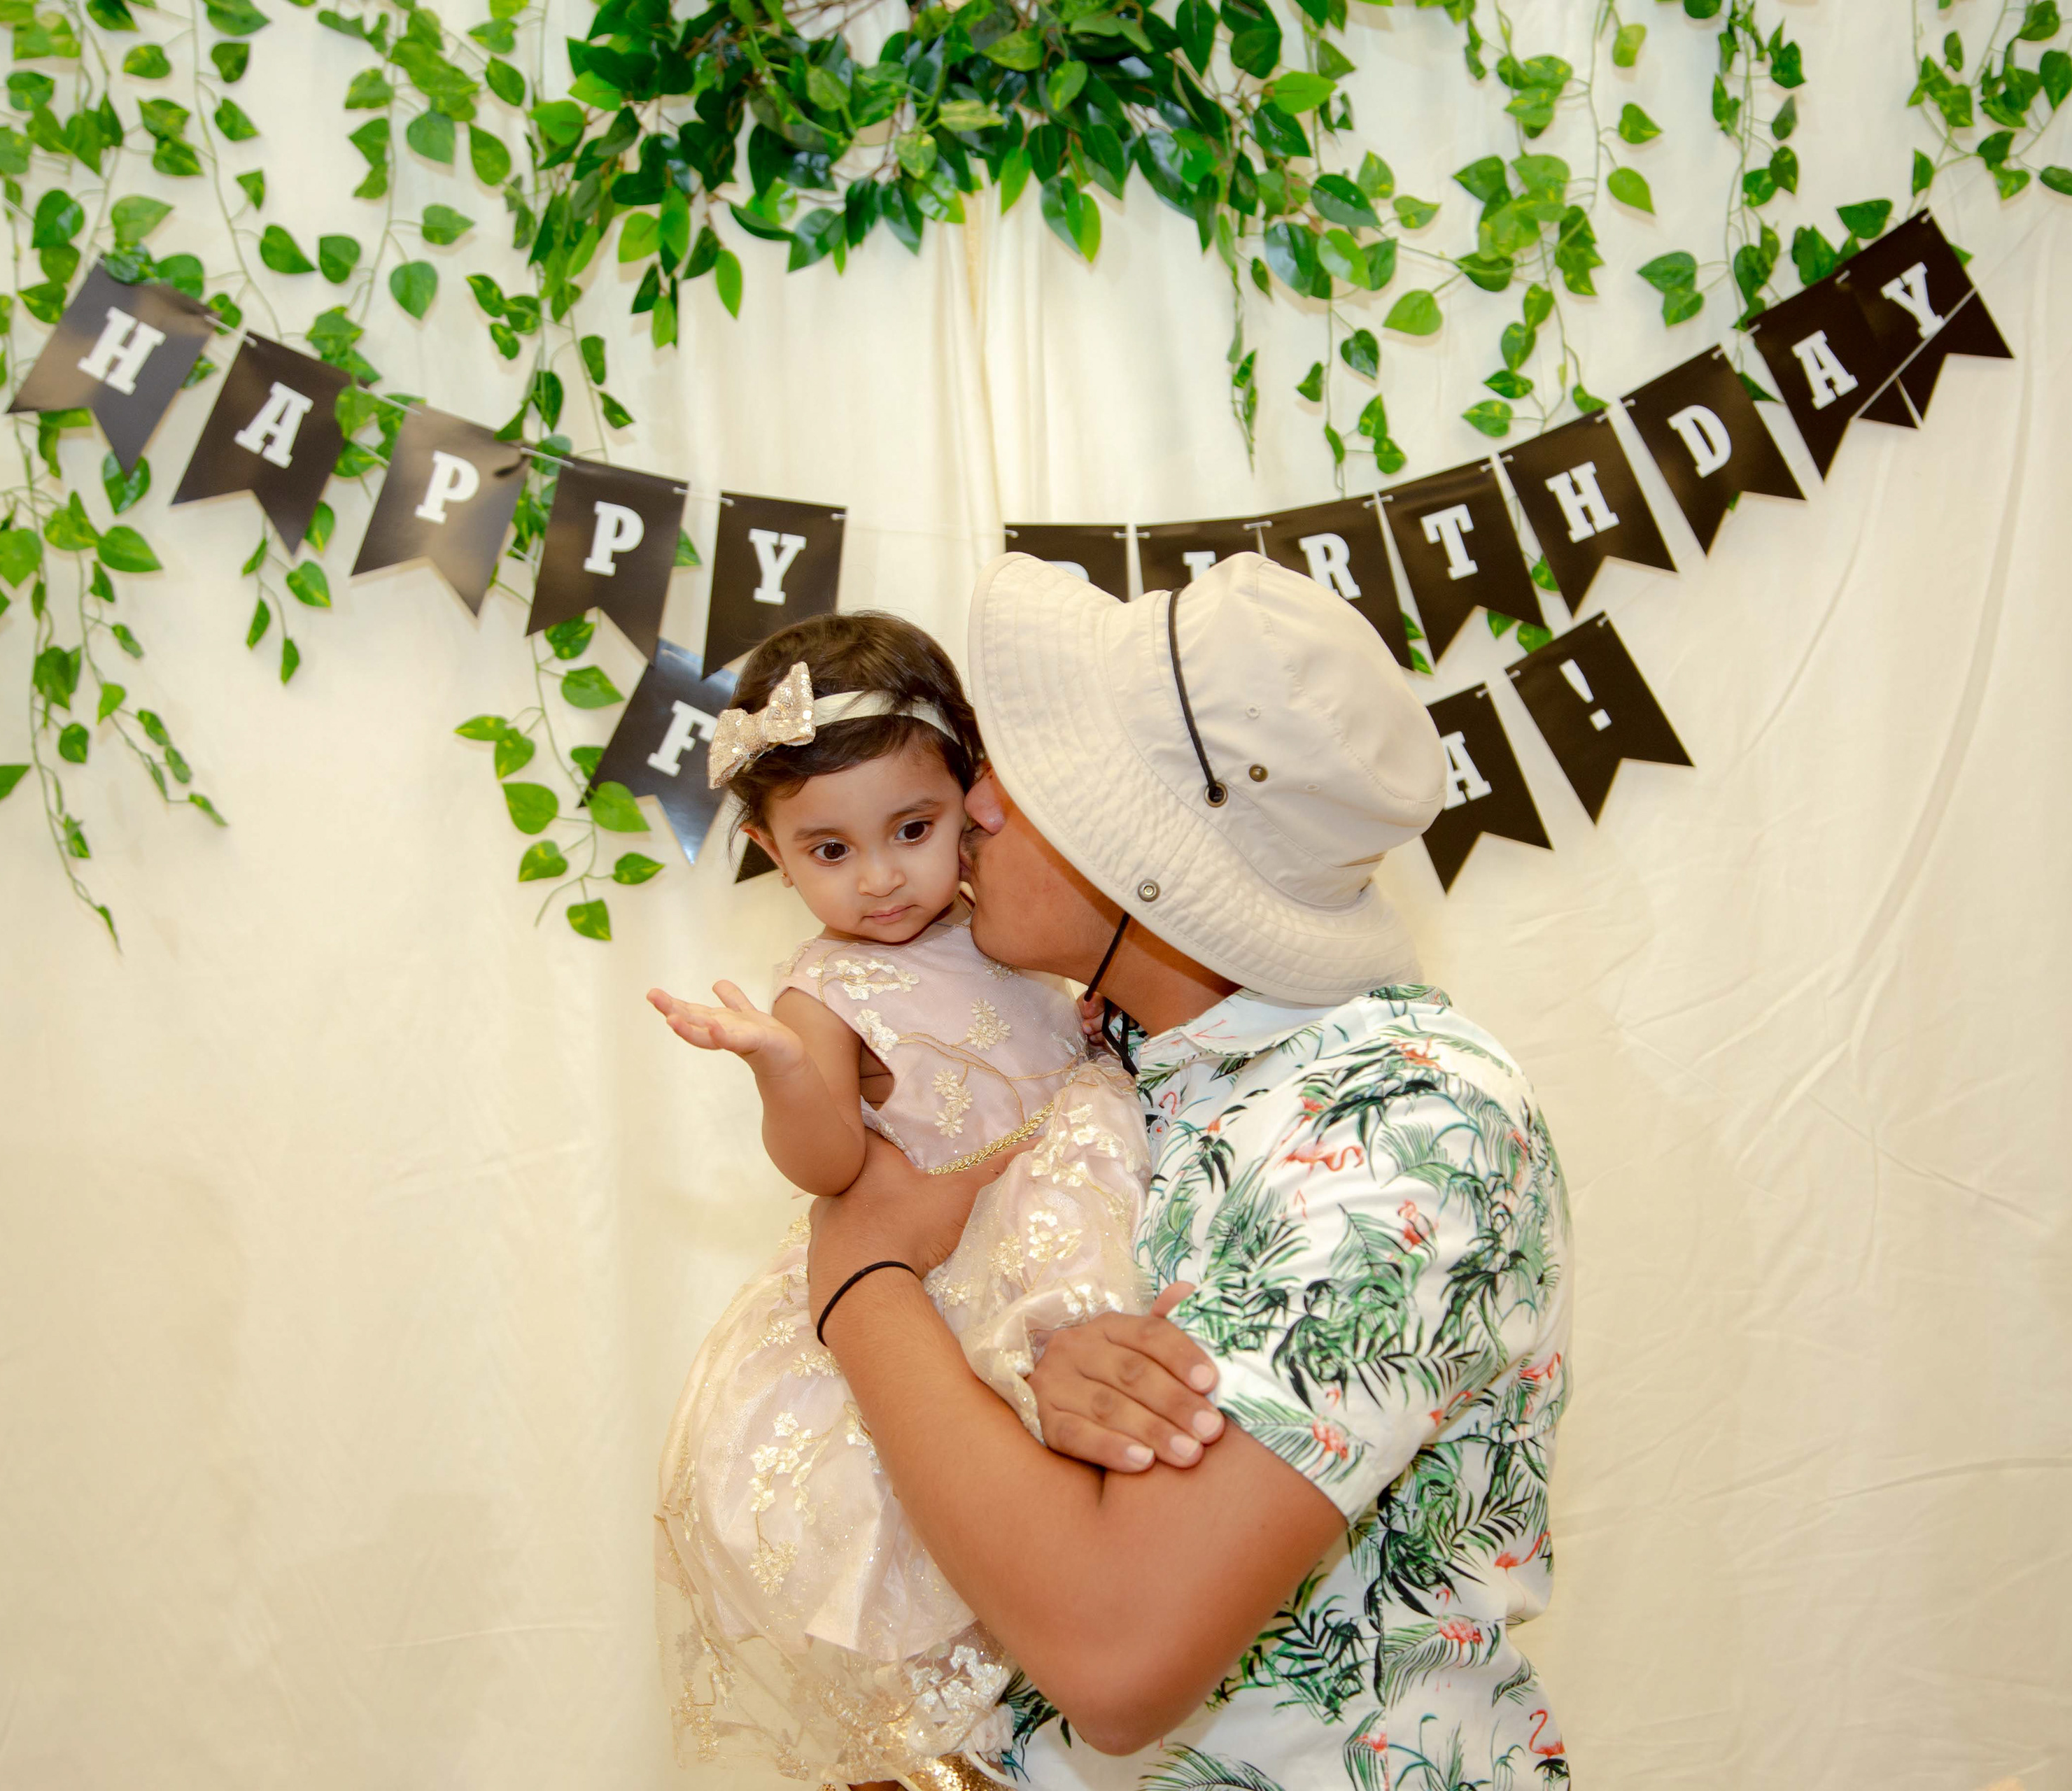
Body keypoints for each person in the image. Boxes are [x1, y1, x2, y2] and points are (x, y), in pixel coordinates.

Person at [801, 552, 1575, 1788]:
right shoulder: (1088, 1061)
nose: (974, 803)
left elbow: (1117, 1655)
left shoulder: (1403, 1119)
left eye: (1031, 777)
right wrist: (1020, 1377)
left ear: (1148, 852)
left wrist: (861, 1280)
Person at [645, 611, 1150, 1790]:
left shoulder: (1018, 922)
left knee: (1070, 1565)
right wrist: (782, 1067)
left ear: (970, 798)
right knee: (939, 1612)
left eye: (911, 831)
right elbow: (828, 1165)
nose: (878, 879)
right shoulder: (826, 989)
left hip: (1064, 1247)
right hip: (941, 1304)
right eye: (829, 850)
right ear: (772, 852)